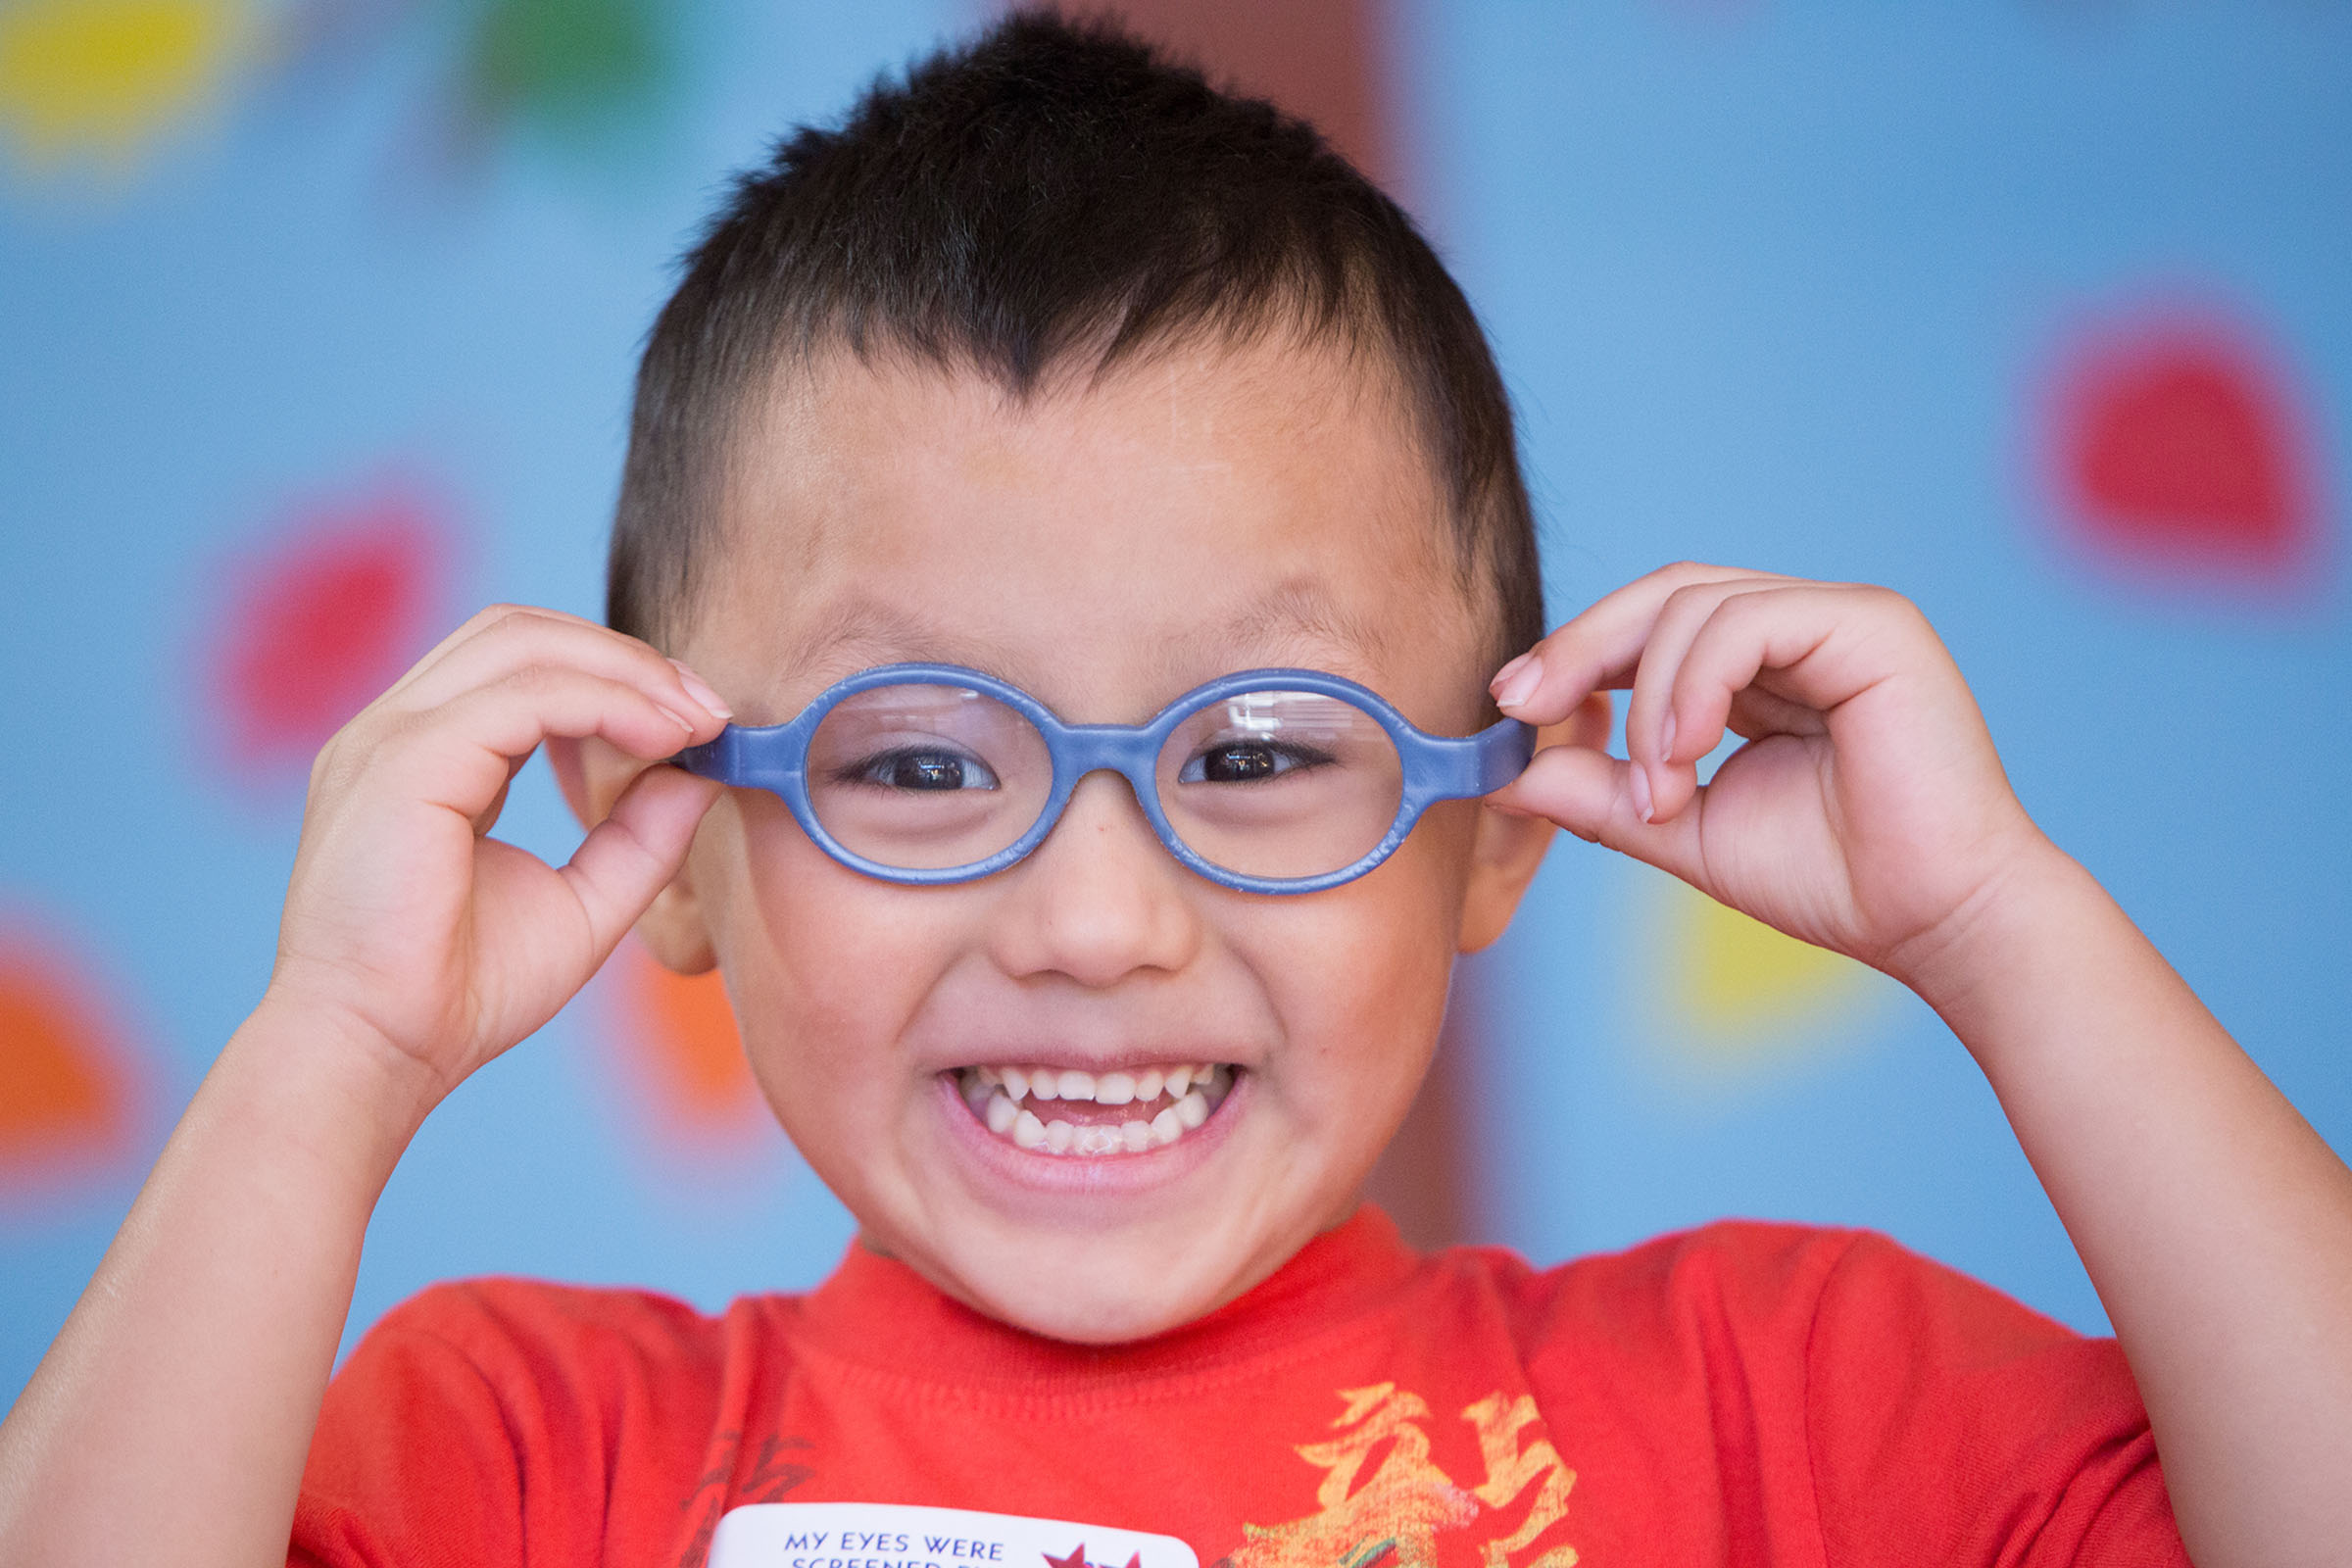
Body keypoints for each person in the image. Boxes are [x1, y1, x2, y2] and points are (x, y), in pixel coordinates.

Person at [2, 13, 2346, 1568]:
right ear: (677, 830)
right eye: (918, 758)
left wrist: (2005, 929)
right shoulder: (525, 1450)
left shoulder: (1786, 1403)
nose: (1097, 920)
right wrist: (327, 1055)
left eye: (1255, 751)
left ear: (1503, 818)